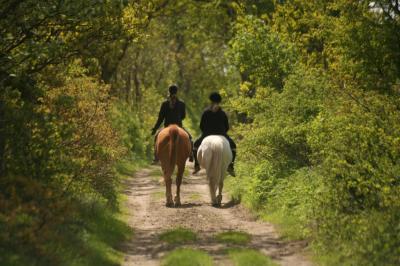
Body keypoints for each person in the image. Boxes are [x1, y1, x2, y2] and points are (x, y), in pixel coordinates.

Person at [192, 92, 236, 176]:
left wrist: (206, 132)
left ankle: (197, 165)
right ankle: (230, 167)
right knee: (233, 146)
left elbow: (201, 126)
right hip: (222, 134)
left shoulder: (206, 112)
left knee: (195, 146)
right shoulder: (223, 113)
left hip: (207, 134)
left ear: (211, 101)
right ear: (219, 102)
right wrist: (222, 132)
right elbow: (227, 127)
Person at [151, 85, 193, 163]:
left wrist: (155, 128)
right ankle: (190, 155)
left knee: (157, 137)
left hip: (167, 126)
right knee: (190, 138)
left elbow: (160, 118)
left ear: (169, 92)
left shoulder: (164, 103)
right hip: (179, 127)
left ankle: (156, 157)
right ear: (177, 92)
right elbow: (183, 116)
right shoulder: (181, 103)